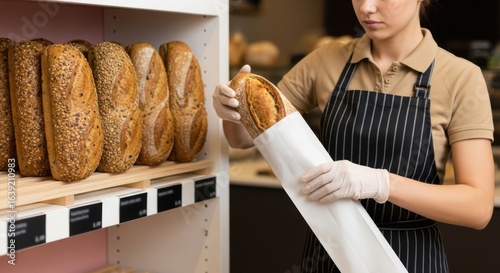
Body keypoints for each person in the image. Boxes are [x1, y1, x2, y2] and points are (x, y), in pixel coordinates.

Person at [213, 0, 495, 272]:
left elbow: (477, 208)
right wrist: (232, 111)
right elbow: (243, 139)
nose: (365, 7)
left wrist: (379, 183)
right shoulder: (325, 60)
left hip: (411, 258)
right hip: (329, 254)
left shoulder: (461, 77)